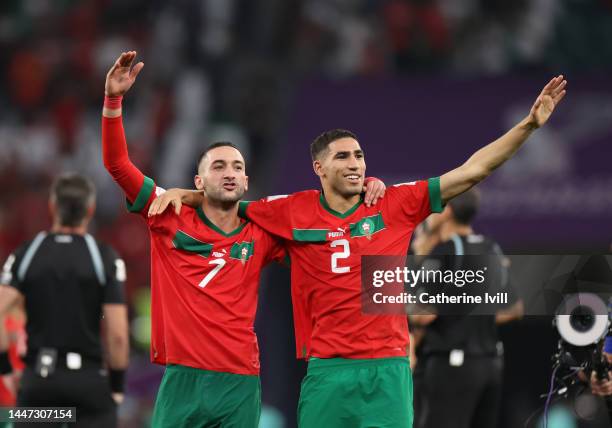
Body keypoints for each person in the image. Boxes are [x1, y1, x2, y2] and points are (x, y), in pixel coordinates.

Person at [157, 75, 567, 427]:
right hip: (326, 372)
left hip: (387, 369)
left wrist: (528, 126)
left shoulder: (394, 204)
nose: (355, 163)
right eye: (342, 156)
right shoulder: (289, 210)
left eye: (359, 155)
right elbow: (225, 201)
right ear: (319, 168)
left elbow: (472, 170)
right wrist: (186, 194)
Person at [101, 51, 386, 427]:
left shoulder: (262, 233)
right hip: (183, 378)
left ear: (247, 181)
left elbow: (329, 231)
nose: (230, 172)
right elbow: (118, 165)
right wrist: (113, 100)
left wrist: (362, 190)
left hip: (240, 381)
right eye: (218, 166)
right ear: (198, 181)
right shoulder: (168, 214)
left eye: (237, 166)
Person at [0, 173, 129, 428]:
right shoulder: (104, 258)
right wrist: (116, 386)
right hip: (89, 384)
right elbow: (118, 335)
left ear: (52, 207)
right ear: (90, 210)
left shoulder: (26, 254)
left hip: (39, 384)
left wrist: (5, 368)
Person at [409, 189, 523, 428]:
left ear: (446, 211)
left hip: (452, 364)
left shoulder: (443, 252)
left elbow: (423, 315)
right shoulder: (491, 247)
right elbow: (514, 309)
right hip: (491, 363)